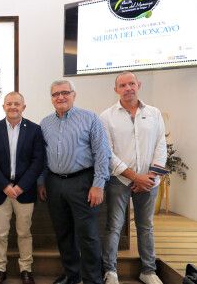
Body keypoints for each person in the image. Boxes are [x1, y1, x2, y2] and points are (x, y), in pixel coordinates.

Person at [37, 79, 110, 284]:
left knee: (87, 236)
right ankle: (72, 275)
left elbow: (102, 153)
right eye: (55, 94)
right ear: (51, 98)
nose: (60, 97)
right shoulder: (45, 123)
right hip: (54, 184)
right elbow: (43, 156)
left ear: (73, 95)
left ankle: (92, 279)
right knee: (63, 233)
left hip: (83, 183)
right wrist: (42, 182)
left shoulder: (90, 118)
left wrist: (98, 184)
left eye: (65, 93)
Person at [100, 71, 167, 284]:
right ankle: (110, 271)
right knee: (114, 226)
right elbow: (107, 153)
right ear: (116, 90)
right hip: (119, 180)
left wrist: (150, 176)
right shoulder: (106, 116)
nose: (128, 88)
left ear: (138, 85)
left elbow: (161, 146)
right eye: (123, 85)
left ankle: (148, 270)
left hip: (149, 181)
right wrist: (134, 177)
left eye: (131, 83)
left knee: (145, 226)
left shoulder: (154, 113)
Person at [0, 92, 44, 284]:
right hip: (0, 191)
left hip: (24, 192)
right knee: (0, 233)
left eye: (17, 104)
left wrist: (20, 187)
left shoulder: (34, 130)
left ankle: (26, 269)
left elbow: (38, 161)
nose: (12, 107)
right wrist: (5, 186)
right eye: (9, 103)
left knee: (24, 233)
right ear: (3, 107)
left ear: (23, 107)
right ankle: (0, 269)